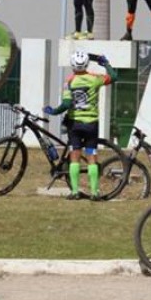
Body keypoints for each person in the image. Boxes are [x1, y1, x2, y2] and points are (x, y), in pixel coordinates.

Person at [42, 50, 117, 199]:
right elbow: (114, 77)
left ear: (72, 65)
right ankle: (95, 193)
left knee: (75, 157)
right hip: (91, 124)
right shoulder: (95, 79)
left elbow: (66, 104)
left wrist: (54, 111)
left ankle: (75, 191)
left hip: (75, 125)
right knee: (91, 157)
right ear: (87, 64)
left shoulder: (69, 81)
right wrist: (105, 63)